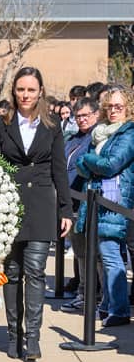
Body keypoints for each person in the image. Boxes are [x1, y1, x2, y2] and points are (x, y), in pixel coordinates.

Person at [0, 67, 73, 362]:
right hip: (8, 206)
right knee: (12, 273)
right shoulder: (0, 124)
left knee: (35, 271)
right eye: (20, 90)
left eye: (31, 90)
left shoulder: (52, 126)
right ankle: (14, 334)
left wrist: (66, 209)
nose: (25, 95)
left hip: (40, 204)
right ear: (14, 92)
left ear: (40, 92)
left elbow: (59, 169)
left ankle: (33, 339)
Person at [75, 85, 134, 327]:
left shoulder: (128, 133)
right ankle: (108, 305)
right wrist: (90, 162)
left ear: (127, 108)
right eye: (109, 106)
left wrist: (89, 160)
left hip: (116, 201)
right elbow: (80, 164)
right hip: (96, 199)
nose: (113, 111)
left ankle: (119, 310)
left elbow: (111, 164)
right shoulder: (101, 133)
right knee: (104, 255)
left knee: (110, 256)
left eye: (119, 107)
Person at [60, 97, 100, 312]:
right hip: (71, 202)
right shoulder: (73, 139)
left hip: (90, 201)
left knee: (96, 253)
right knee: (80, 252)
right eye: (79, 116)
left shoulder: (97, 138)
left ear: (96, 114)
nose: (82, 119)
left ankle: (95, 294)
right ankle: (84, 292)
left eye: (86, 115)